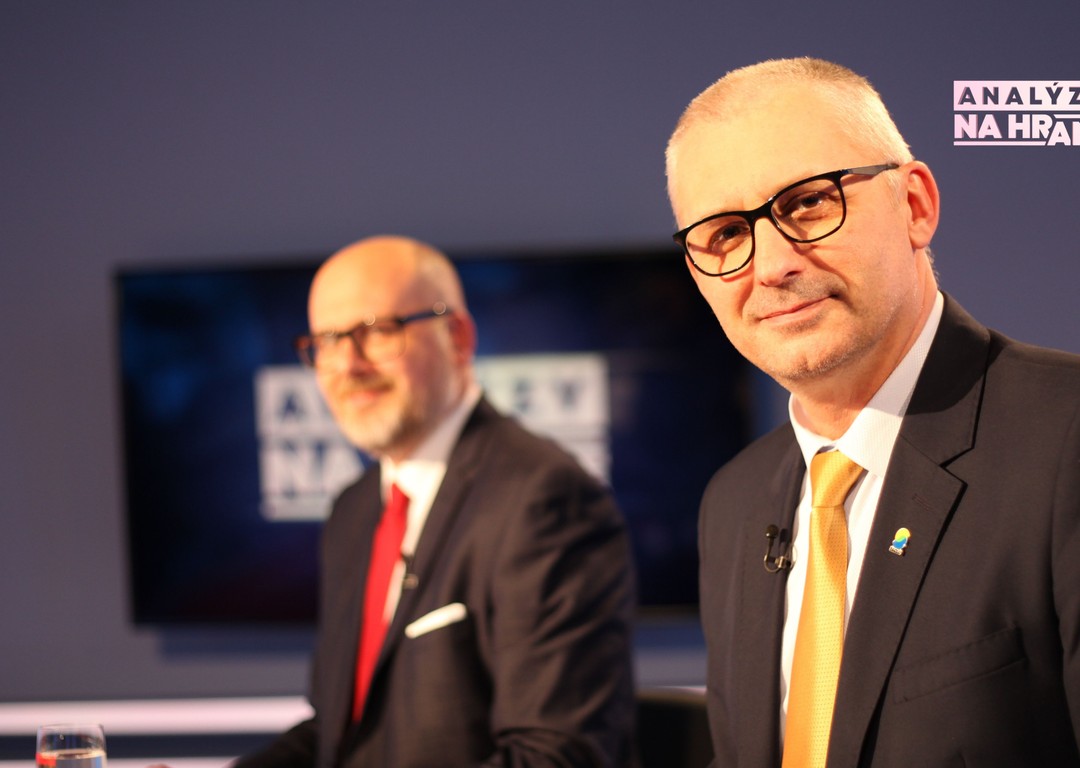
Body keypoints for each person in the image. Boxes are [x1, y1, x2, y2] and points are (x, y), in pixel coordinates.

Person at [664, 57, 1080, 767]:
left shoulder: (1065, 440)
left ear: (914, 206)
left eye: (807, 204)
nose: (771, 265)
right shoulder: (732, 503)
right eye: (725, 234)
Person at [235, 236, 637, 767]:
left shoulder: (545, 498)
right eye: (328, 341)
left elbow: (554, 756)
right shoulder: (354, 510)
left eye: (378, 331)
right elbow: (336, 734)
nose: (349, 364)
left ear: (458, 337)